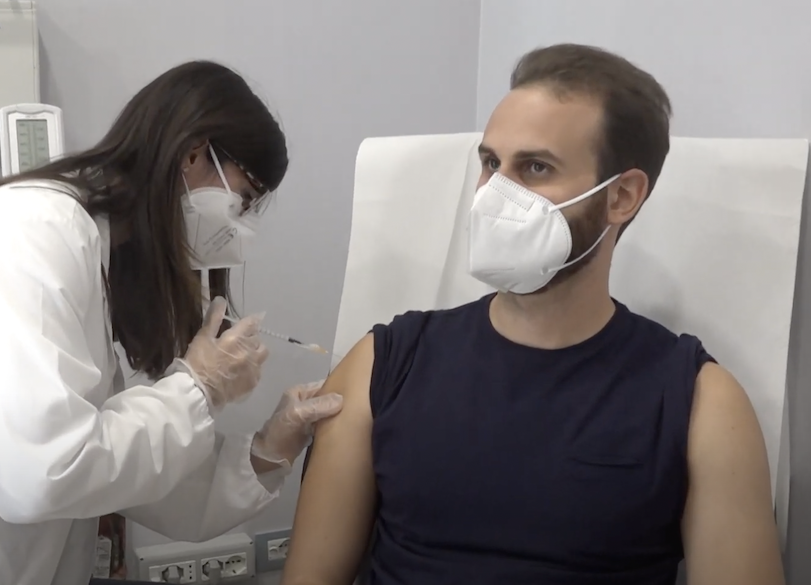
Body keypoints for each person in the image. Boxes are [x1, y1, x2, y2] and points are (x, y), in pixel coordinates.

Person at [0, 61, 343, 585]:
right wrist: (197, 387)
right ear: (193, 153)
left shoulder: (88, 255)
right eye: (242, 199)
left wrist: (267, 447)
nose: (239, 229)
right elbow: (50, 470)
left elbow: (119, 467)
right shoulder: (33, 231)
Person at [282, 44, 784, 585]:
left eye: (535, 167)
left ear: (622, 196)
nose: (495, 194)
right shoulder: (385, 362)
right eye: (490, 164)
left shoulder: (699, 402)